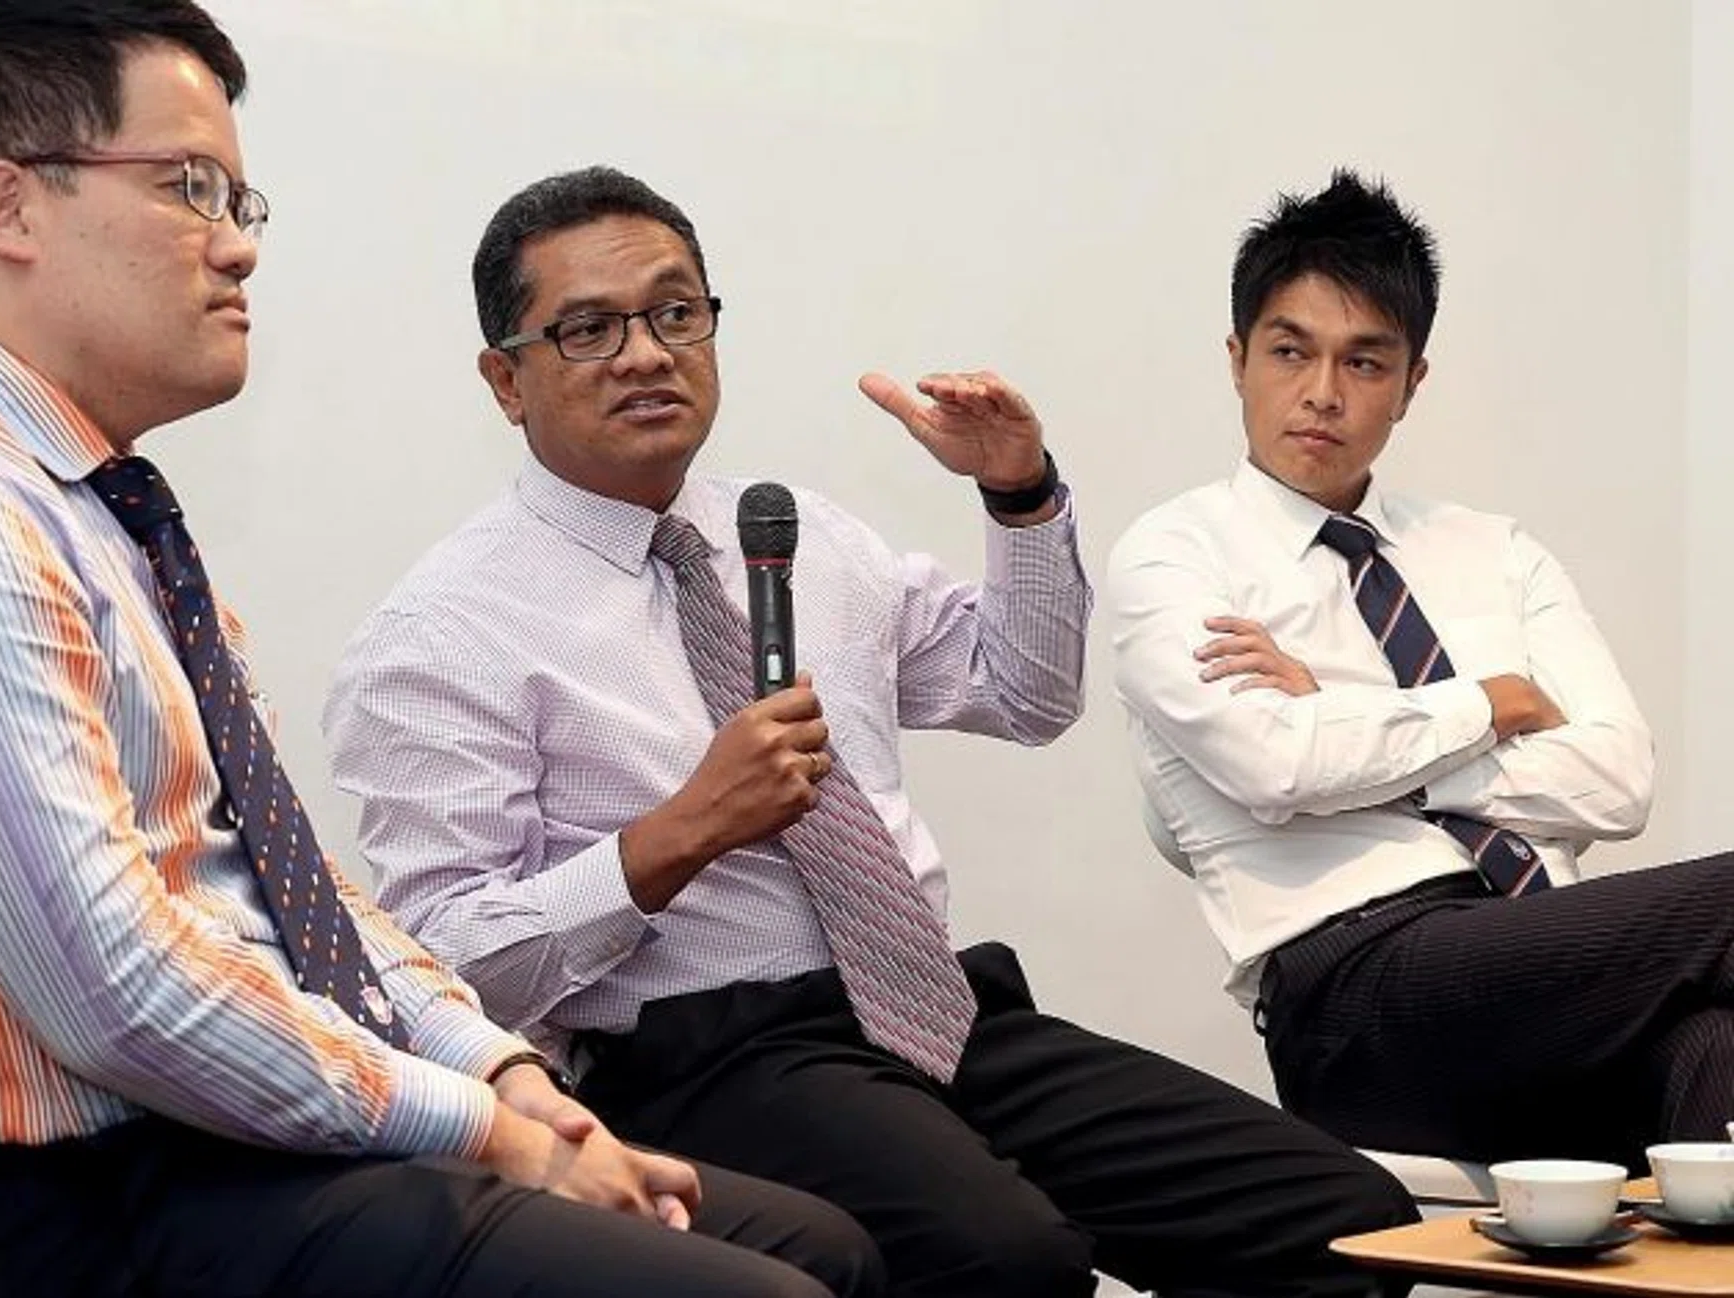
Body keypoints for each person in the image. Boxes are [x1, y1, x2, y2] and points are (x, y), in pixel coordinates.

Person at [0, 5, 886, 1297]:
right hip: (111, 1200)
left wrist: (506, 1076)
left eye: (239, 201)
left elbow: (298, 894)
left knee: (822, 1247)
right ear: (11, 208)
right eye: (189, 187)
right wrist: (485, 1132)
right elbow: (118, 997)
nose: (238, 245)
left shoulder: (96, 506)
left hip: (265, 1143)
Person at [324, 163, 1418, 1298]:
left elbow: (1026, 692)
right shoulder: (444, 631)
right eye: (590, 329)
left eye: (676, 312)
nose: (647, 353)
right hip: (707, 1056)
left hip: (934, 1011)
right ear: (507, 379)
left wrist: (1018, 494)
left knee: (1352, 1221)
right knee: (1010, 1257)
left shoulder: (799, 532)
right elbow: (446, 963)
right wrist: (680, 834)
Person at [1109, 169, 1734, 1167]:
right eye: (1290, 351)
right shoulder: (1174, 554)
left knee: (1719, 1051)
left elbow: (1619, 782)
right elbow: (1276, 765)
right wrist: (1489, 702)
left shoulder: (1494, 550)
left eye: (1365, 361)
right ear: (1237, 360)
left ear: (1411, 382)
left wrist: (1344, 715)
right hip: (1359, 997)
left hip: (1551, 968)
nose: (1323, 392)